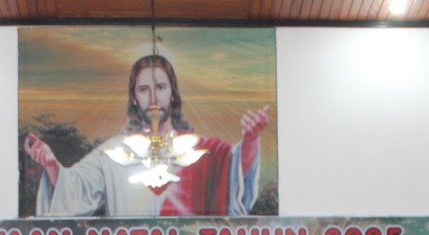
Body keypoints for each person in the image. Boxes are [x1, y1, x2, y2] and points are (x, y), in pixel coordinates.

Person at [25, 53, 269, 219]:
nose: (153, 98)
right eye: (144, 89)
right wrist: (51, 164)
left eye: (161, 87)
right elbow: (74, 191)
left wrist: (250, 141)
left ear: (172, 93)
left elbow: (236, 171)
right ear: (134, 97)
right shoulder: (113, 153)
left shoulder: (200, 149)